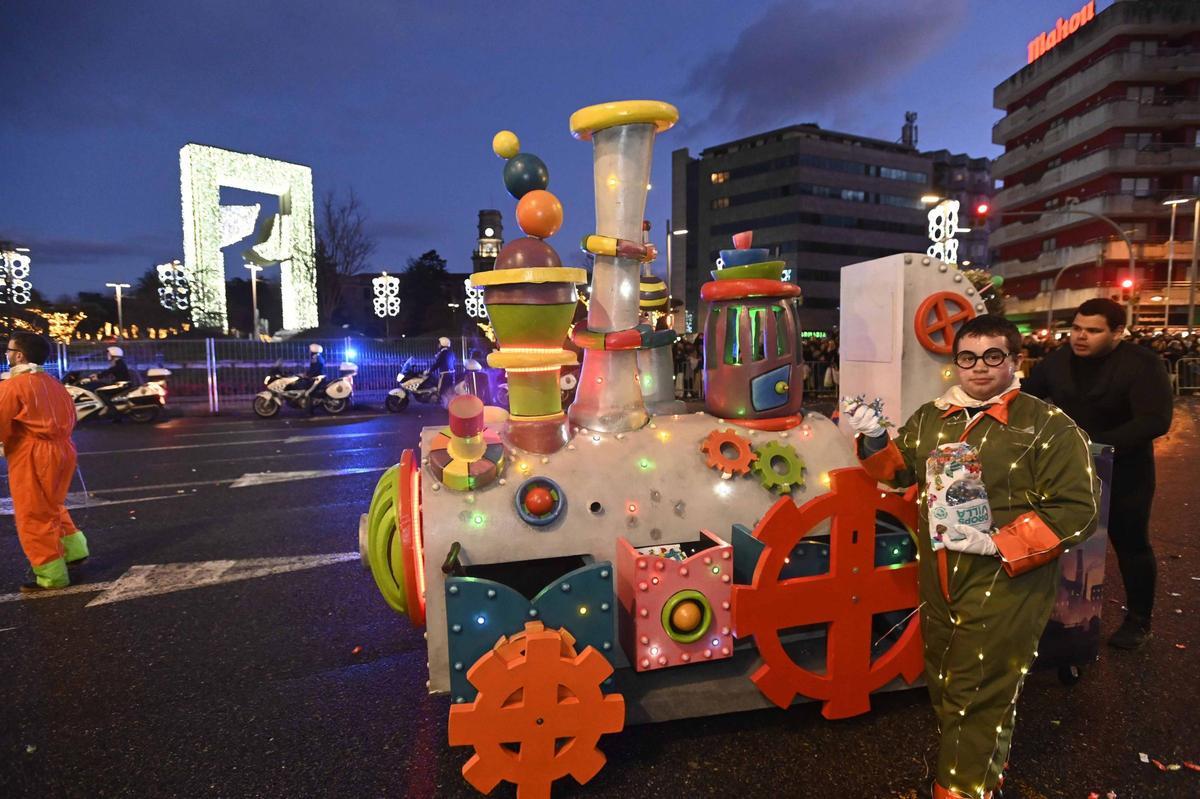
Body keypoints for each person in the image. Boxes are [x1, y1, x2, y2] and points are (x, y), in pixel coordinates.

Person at [846, 315, 1100, 799]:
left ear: (1015, 360)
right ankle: (983, 764)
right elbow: (898, 472)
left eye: (992, 356)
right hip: (939, 575)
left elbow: (1076, 509)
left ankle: (962, 788)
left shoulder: (1048, 426)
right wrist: (875, 438)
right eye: (968, 357)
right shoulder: (933, 417)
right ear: (956, 363)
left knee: (977, 689)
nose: (979, 367)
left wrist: (1002, 543)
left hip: (1008, 579)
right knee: (944, 679)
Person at [1021, 298, 1173, 649]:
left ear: (1118, 332)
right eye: (1076, 328)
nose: (1080, 336)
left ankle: (1139, 622)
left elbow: (1155, 420)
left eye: (1093, 330)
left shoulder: (1142, 364)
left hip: (1127, 471)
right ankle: (1062, 621)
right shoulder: (1057, 361)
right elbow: (1028, 400)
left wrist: (1096, 445)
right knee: (1065, 543)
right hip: (1069, 471)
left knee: (1131, 544)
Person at [1, 332, 88, 592]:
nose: (6, 354)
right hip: (64, 449)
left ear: (19, 356)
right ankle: (74, 551)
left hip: (32, 453)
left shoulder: (12, 386)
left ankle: (51, 576)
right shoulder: (54, 384)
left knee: (33, 514)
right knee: (52, 505)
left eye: (9, 350)